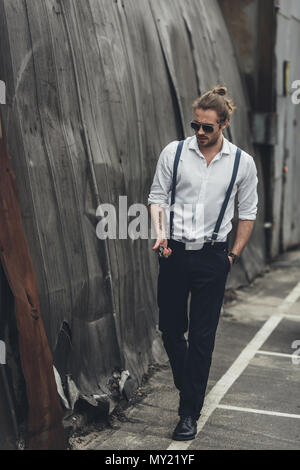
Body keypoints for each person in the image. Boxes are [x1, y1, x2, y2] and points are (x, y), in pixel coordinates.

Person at [147, 86, 258, 441]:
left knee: (202, 338)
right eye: (196, 124)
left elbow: (248, 213)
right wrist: (161, 233)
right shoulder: (174, 153)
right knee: (169, 328)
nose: (200, 132)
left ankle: (188, 413)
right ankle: (190, 387)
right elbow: (157, 198)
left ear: (224, 124)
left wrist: (232, 256)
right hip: (174, 252)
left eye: (208, 127)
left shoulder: (242, 163)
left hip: (214, 256)